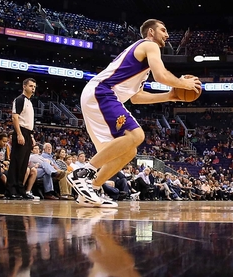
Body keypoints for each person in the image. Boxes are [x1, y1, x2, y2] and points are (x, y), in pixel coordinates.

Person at [68, 18, 202, 207]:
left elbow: (136, 97)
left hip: (99, 95)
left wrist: (171, 95)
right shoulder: (149, 45)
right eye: (163, 30)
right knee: (136, 134)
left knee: (129, 150)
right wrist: (183, 84)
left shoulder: (141, 63)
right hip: (102, 91)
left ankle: (91, 188)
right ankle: (82, 173)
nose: (167, 34)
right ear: (151, 33)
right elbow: (161, 76)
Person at [6, 78, 37, 199]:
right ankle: (11, 190)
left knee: (24, 164)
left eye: (34, 86)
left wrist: (31, 136)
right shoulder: (19, 99)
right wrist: (19, 134)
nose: (33, 88)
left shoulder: (29, 101)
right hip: (21, 131)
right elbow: (15, 118)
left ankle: (20, 189)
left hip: (28, 133)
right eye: (30, 86)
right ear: (24, 86)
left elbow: (28, 121)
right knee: (16, 163)